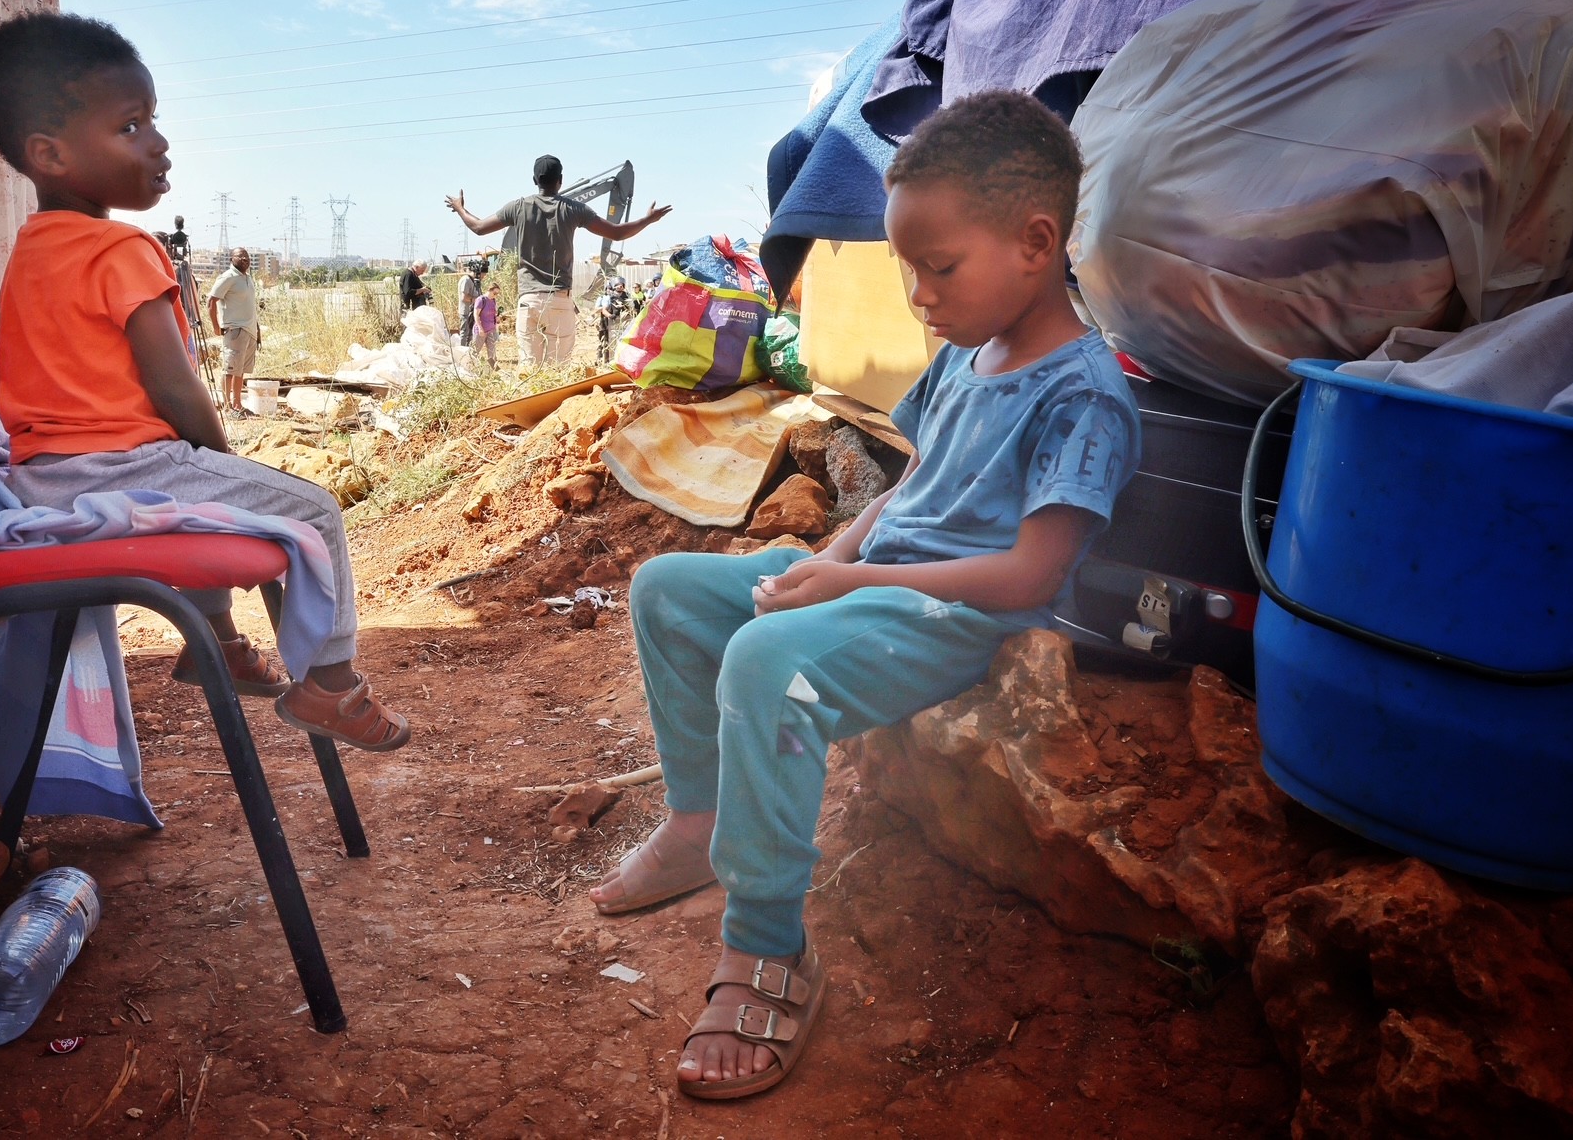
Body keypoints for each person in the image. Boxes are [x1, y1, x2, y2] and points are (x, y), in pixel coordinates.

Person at [588, 91, 1140, 1099]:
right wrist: (821, 559)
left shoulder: (1084, 393)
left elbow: (1029, 574)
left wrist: (849, 581)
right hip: (869, 578)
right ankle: (698, 820)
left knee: (764, 661)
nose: (918, 292)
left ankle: (766, 947)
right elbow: (900, 494)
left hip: (952, 612)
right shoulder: (965, 357)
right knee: (667, 588)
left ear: (1034, 241)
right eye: (904, 266)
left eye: (938, 265)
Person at [0, 10, 409, 752]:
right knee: (313, 511)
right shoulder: (122, 248)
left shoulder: (31, 249)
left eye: (154, 121)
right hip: (121, 468)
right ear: (51, 154)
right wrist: (222, 454)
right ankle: (333, 686)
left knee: (207, 496)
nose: (160, 142)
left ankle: (220, 645)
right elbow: (176, 390)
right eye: (131, 126)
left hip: (42, 477)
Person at [444, 155, 672, 366]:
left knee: (529, 371)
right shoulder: (573, 209)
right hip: (560, 302)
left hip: (529, 302)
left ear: (535, 180)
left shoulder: (518, 207)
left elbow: (478, 227)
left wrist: (460, 207)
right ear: (560, 181)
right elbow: (617, 233)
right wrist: (648, 219)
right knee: (558, 371)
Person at [206, 247, 258, 417]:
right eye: (240, 256)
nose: (245, 259)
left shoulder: (247, 278)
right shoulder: (228, 277)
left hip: (249, 331)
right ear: (232, 259)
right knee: (229, 370)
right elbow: (211, 301)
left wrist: (256, 329)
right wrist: (216, 326)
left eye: (247, 256)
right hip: (235, 330)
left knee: (240, 370)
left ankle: (237, 404)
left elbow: (250, 306)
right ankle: (228, 407)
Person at [457, 260, 485, 347]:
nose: (484, 277)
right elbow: (464, 297)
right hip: (466, 312)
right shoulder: (466, 280)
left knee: (470, 334)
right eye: (484, 274)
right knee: (464, 334)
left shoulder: (475, 281)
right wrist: (477, 300)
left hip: (472, 312)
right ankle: (461, 352)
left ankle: (468, 352)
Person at [474, 281, 501, 367]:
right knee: (475, 351)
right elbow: (476, 315)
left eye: (497, 293)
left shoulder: (493, 301)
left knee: (492, 353)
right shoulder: (481, 300)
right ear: (490, 290)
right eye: (495, 293)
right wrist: (480, 328)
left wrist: (497, 318)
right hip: (481, 330)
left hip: (491, 330)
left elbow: (493, 314)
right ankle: (470, 367)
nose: (496, 295)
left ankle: (493, 371)